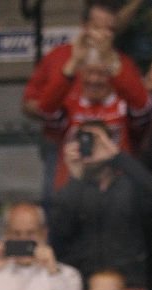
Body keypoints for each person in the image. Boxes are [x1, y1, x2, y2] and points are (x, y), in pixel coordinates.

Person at [22, 0, 149, 202]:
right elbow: (39, 105)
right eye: (97, 27)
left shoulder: (122, 64)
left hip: (117, 181)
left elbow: (142, 105)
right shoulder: (60, 57)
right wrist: (71, 67)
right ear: (84, 25)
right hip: (66, 157)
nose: (94, 79)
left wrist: (111, 62)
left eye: (109, 29)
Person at [49, 122, 152, 290]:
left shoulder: (131, 185)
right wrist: (75, 177)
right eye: (85, 141)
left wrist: (118, 156)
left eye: (98, 141)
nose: (92, 147)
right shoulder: (73, 190)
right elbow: (59, 237)